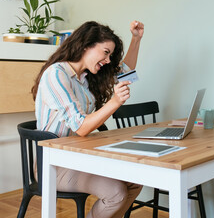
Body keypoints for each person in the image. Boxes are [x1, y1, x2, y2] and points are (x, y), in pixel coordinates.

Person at [31, 20, 144, 218]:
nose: (108, 60)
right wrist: (115, 101)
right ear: (86, 46)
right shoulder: (56, 75)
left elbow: (125, 71)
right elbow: (81, 128)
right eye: (106, 52)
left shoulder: (86, 77)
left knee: (135, 181)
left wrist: (136, 39)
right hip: (53, 164)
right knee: (116, 193)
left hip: (79, 158)